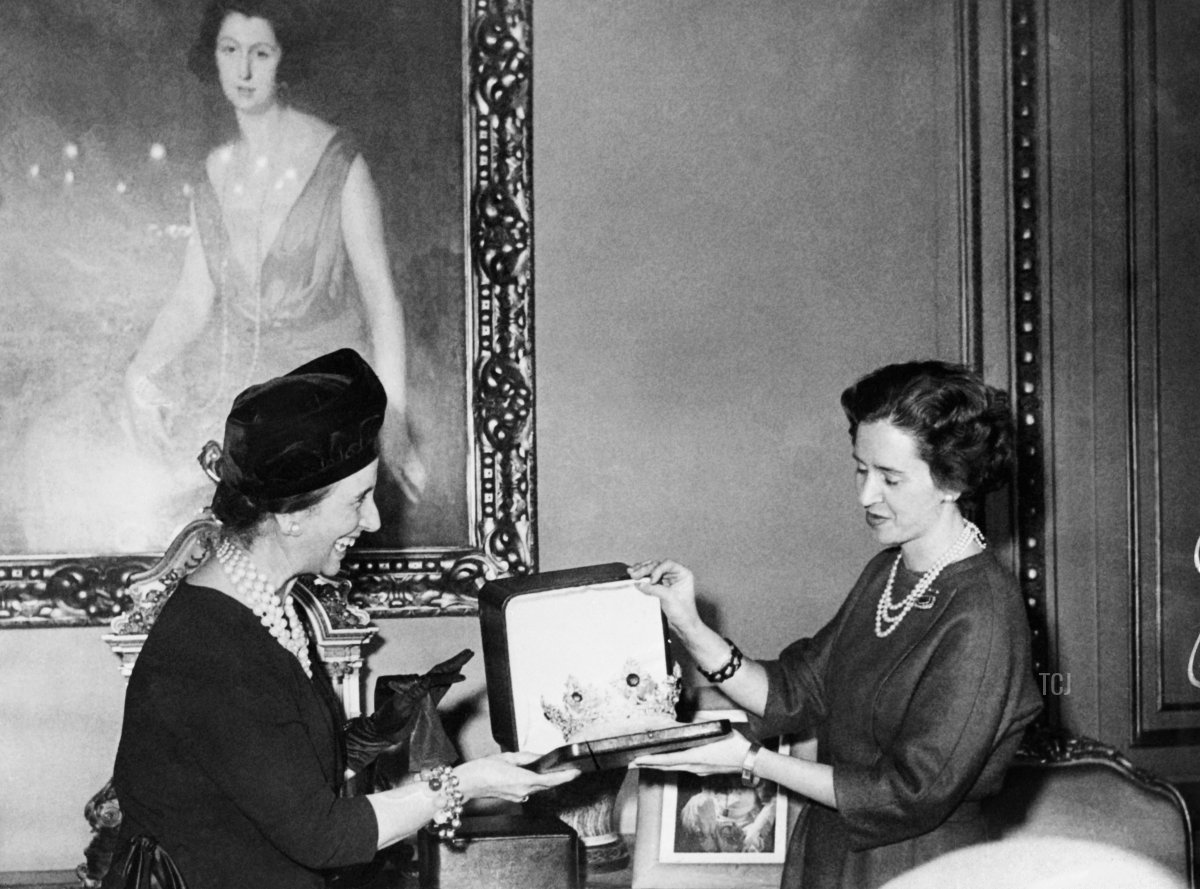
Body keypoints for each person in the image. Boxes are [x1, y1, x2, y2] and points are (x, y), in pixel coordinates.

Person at [104, 349, 576, 889]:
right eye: (358, 501)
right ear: (291, 517)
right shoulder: (210, 649)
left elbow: (286, 768)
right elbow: (324, 836)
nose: (372, 520)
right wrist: (465, 783)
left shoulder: (266, 605)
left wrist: (384, 728)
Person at [630, 360, 1043, 889]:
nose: (865, 496)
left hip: (920, 869)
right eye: (860, 469)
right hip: (831, 855)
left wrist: (751, 760)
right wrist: (688, 624)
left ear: (953, 482)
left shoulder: (983, 611)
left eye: (890, 478)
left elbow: (908, 794)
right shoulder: (887, 572)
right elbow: (794, 689)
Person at [122, 0, 424, 514]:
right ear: (212, 57)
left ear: (283, 60)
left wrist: (391, 415)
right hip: (251, 405)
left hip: (329, 405)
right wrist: (137, 371)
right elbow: (192, 300)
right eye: (230, 49)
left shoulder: (337, 161)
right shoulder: (213, 172)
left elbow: (381, 300)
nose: (243, 70)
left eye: (260, 52)